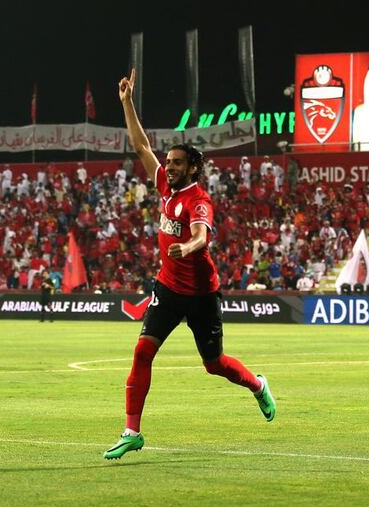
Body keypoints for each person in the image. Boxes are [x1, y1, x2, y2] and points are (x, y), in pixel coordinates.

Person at [104, 69, 276, 460]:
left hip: (201, 294)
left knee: (214, 365)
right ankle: (132, 430)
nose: (170, 166)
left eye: (177, 162)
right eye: (169, 161)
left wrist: (190, 247)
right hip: (168, 287)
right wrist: (126, 101)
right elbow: (140, 144)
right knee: (142, 351)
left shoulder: (198, 199)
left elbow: (201, 233)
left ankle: (258, 386)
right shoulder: (165, 184)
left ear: (193, 167)